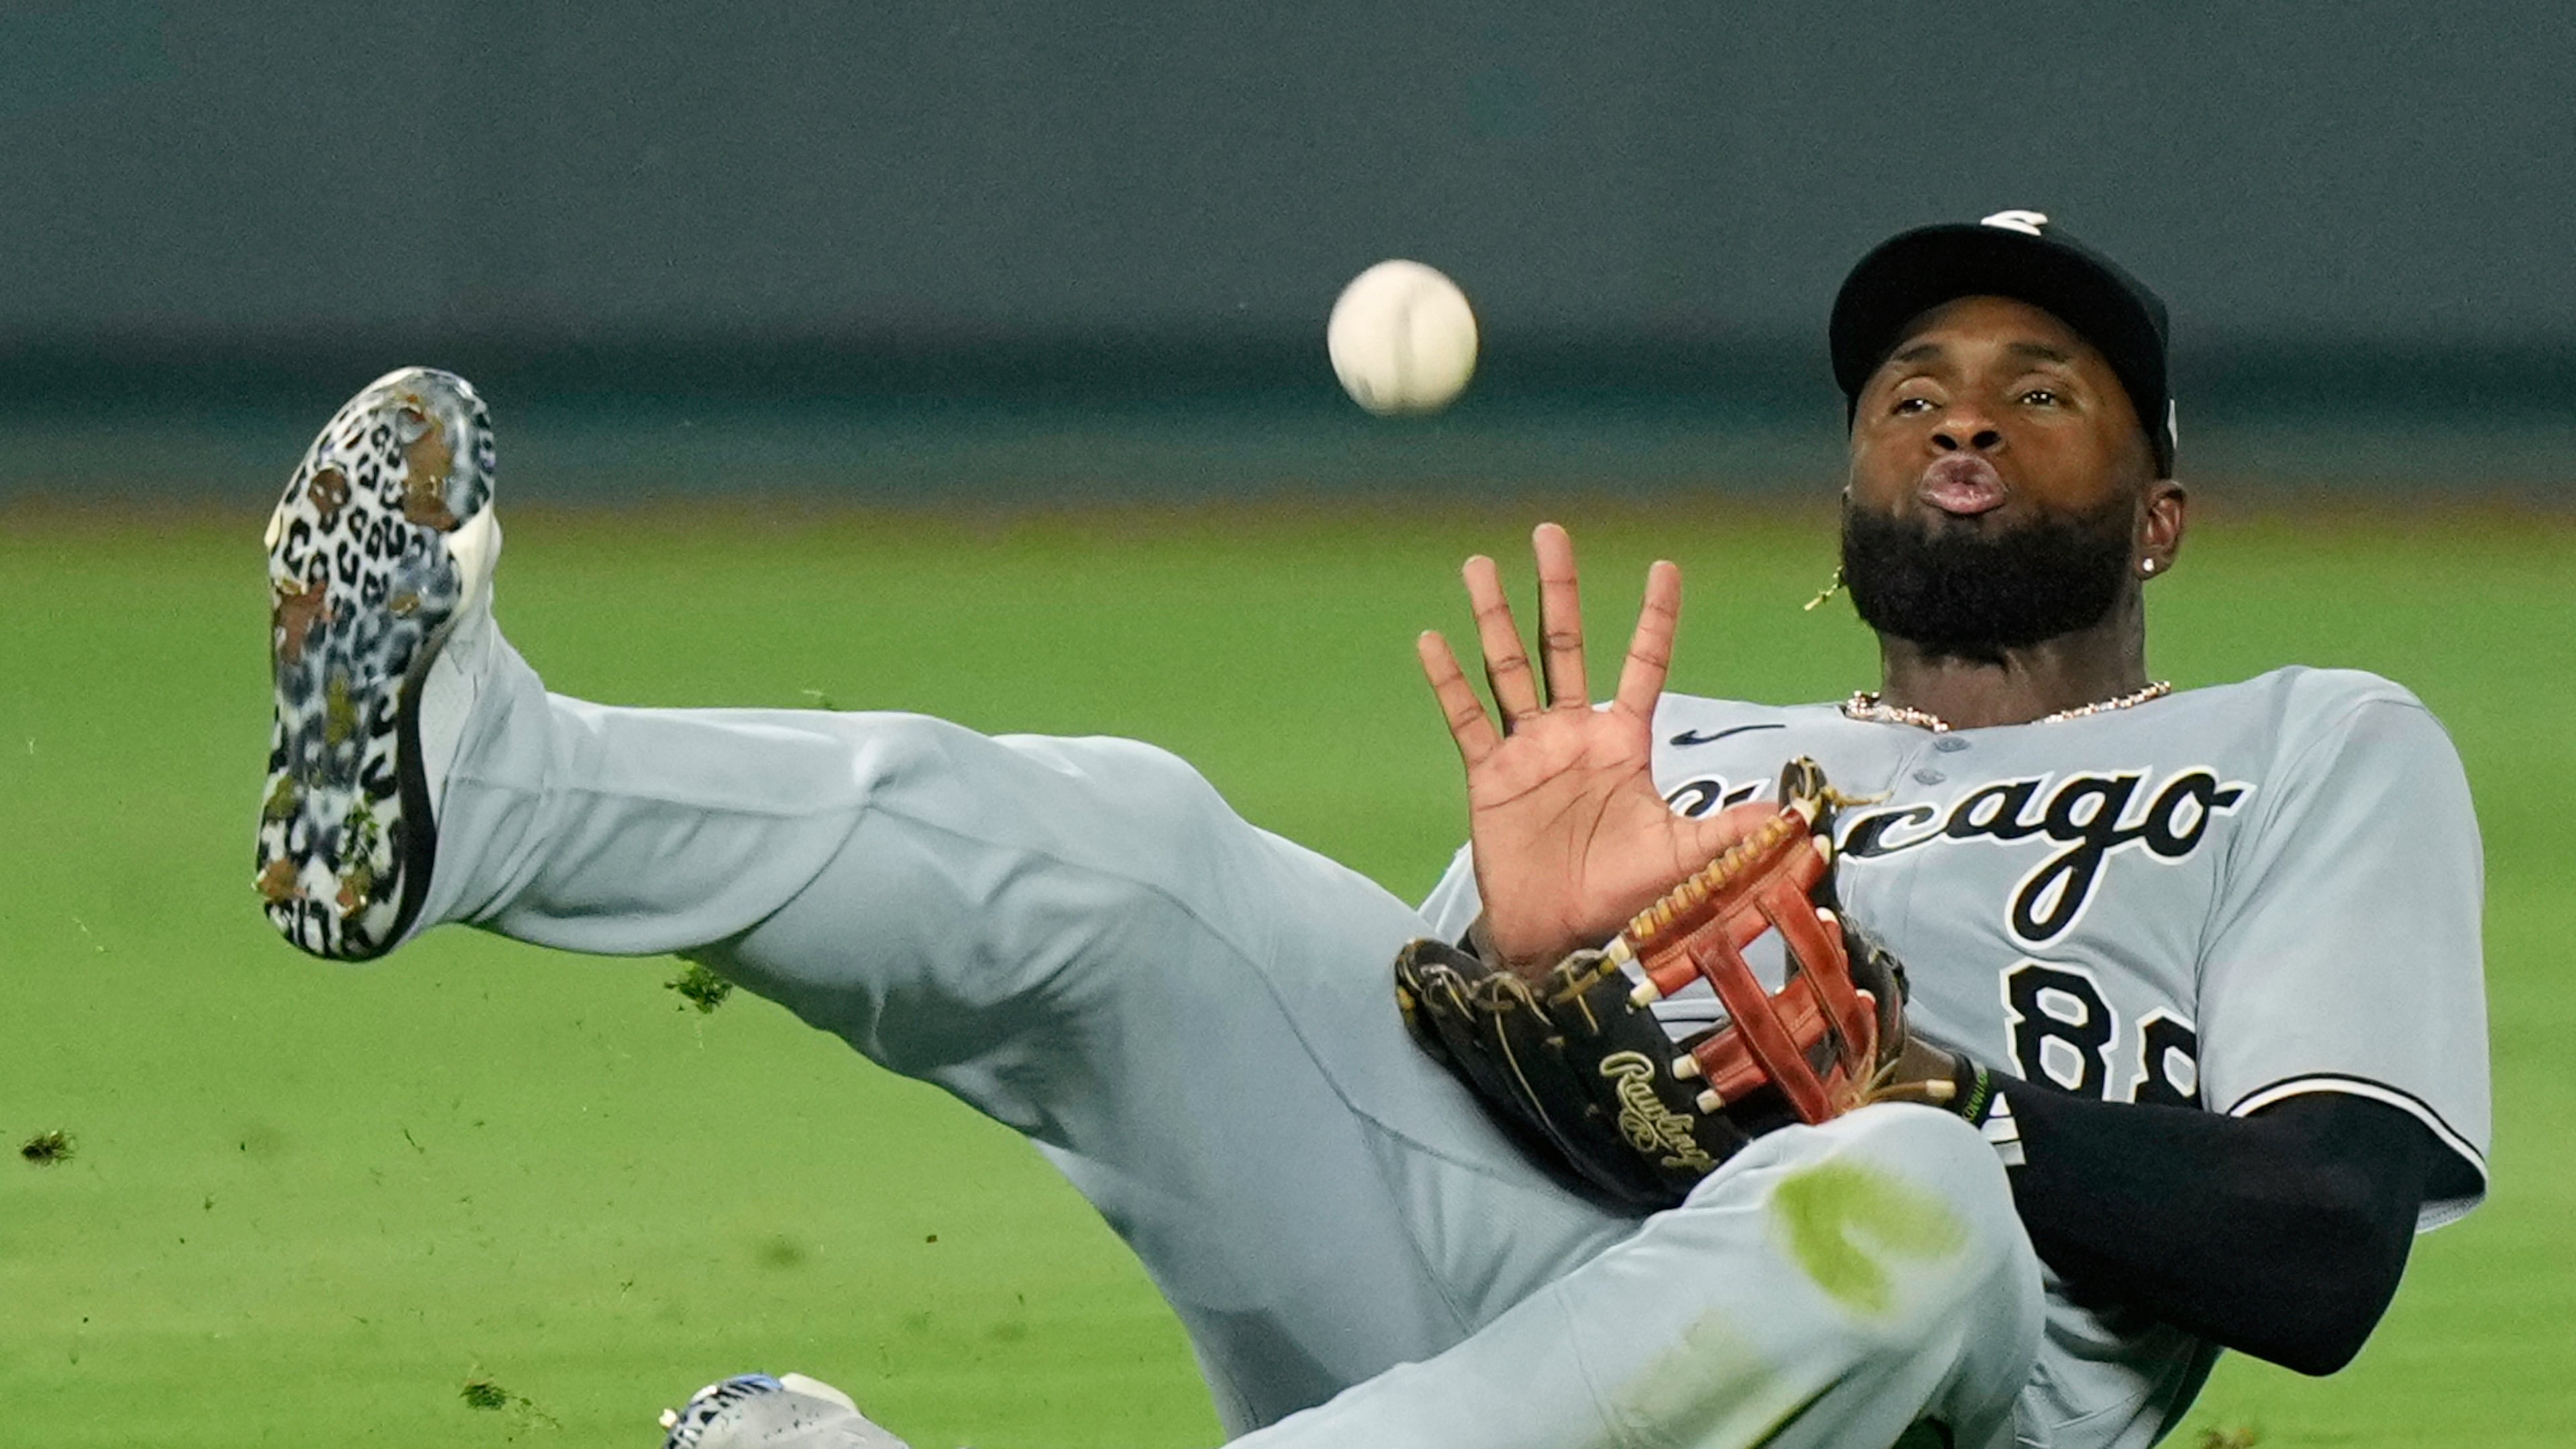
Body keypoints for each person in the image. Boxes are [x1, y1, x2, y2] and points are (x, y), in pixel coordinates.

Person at [254, 211, 2488, 1449]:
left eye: (2040, 385)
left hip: (1939, 1386)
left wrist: (1924, 1088)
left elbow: (2317, 1258)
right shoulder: (1678, 749)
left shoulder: (2313, 745)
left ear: (2165, 512)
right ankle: (488, 793)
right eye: (1911, 388)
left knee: (1889, 1195)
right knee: (1128, 851)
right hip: (1507, 1352)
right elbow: (1449, 1129)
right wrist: (1518, 969)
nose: (1959, 414)